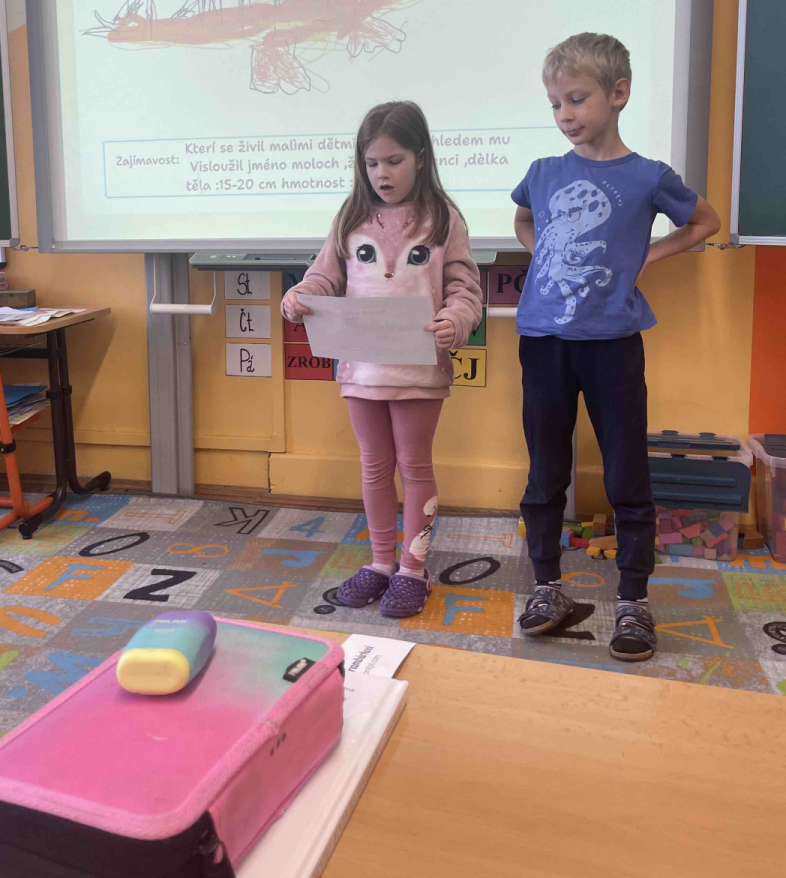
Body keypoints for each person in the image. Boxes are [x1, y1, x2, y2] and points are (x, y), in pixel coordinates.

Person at [512, 33, 720, 661]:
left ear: (619, 93)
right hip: (543, 340)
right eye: (555, 104)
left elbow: (705, 221)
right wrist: (542, 254)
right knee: (545, 470)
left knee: (627, 472)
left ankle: (633, 599)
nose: (564, 114)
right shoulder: (543, 173)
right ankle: (546, 585)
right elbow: (524, 217)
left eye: (576, 99)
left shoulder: (647, 176)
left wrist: (647, 256)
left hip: (612, 344)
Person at [282, 101, 482, 617]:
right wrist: (300, 295)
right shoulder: (350, 217)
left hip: (419, 369)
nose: (382, 173)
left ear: (421, 157)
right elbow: (324, 277)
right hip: (361, 368)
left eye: (394, 161)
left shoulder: (443, 218)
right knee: (373, 467)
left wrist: (456, 319)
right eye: (372, 163)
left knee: (414, 466)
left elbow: (464, 288)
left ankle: (413, 570)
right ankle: (380, 564)